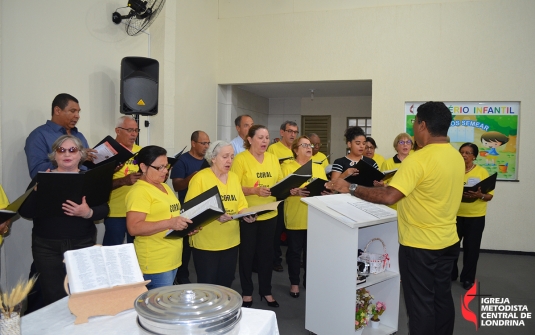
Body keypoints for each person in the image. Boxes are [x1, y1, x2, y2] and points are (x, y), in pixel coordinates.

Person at [327, 101, 464, 335]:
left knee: (420, 305)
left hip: (420, 245)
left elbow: (390, 196)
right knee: (442, 297)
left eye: (414, 123)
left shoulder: (419, 159)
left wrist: (349, 188)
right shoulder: (455, 156)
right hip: (449, 241)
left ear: (422, 125)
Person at [19, 135, 110, 306]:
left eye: (72, 150)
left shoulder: (90, 178)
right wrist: (37, 192)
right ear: (55, 155)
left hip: (82, 243)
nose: (66, 154)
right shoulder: (42, 178)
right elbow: (24, 211)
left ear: (80, 154)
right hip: (46, 247)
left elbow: (104, 209)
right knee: (53, 297)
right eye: (61, 150)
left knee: (83, 293)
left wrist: (87, 212)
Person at [185, 141, 256, 287]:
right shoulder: (200, 178)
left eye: (232, 156)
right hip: (206, 243)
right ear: (213, 158)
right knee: (207, 286)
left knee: (225, 284)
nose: (229, 160)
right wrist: (215, 215)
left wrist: (246, 215)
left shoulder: (234, 178)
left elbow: (241, 205)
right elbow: (190, 210)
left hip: (230, 241)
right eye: (225, 157)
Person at [125, 146, 192, 290]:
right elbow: (134, 227)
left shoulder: (164, 187)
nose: (166, 171)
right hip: (155, 263)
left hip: (171, 258)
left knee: (165, 305)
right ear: (143, 167)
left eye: (166, 166)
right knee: (159, 309)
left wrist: (186, 226)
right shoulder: (139, 192)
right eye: (159, 167)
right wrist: (170, 223)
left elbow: (172, 215)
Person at [231, 125, 283, 308]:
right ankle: (246, 292)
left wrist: (287, 188)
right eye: (260, 137)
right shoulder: (241, 159)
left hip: (270, 213)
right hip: (249, 215)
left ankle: (266, 291)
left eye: (267, 137)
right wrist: (253, 190)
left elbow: (280, 182)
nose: (264, 141)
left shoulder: (272, 158)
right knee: (247, 255)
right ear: (250, 139)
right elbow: (233, 186)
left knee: (266, 256)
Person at [281, 136, 327, 298]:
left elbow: (324, 188)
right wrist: (292, 191)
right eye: (305, 145)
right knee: (294, 252)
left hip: (315, 216)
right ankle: (294, 283)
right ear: (295, 149)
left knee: (312, 252)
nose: (309, 147)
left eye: (310, 145)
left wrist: (324, 190)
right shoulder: (287, 167)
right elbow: (280, 191)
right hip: (295, 215)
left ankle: (310, 280)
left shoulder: (318, 167)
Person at [170, 130, 211, 284]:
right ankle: (182, 276)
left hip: (207, 206)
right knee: (186, 247)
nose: (207, 146)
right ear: (193, 143)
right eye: (203, 143)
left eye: (208, 143)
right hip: (188, 208)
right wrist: (191, 178)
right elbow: (177, 186)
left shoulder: (209, 160)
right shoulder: (183, 161)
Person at [451, 143, 493, 290]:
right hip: (454, 216)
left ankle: (468, 278)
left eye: (468, 153)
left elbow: (489, 196)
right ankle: (451, 274)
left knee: (471, 249)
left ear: (474, 156)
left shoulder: (482, 172)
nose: (464, 155)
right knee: (452, 247)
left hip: (475, 217)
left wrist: (479, 195)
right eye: (462, 152)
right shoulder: (454, 171)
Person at [24, 93, 95, 179]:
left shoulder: (79, 136)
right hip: (55, 188)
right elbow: (36, 172)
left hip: (83, 187)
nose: (77, 116)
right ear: (57, 110)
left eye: (78, 112)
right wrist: (68, 161)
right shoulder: (39, 136)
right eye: (73, 111)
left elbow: (86, 168)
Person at [102, 116, 142, 246]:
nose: (134, 134)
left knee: (136, 252)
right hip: (115, 211)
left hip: (137, 209)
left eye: (136, 130)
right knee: (112, 251)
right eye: (130, 130)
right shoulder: (106, 151)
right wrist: (123, 181)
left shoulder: (141, 151)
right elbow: (98, 185)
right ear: (117, 131)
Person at [267, 121, 298, 272]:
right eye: (290, 131)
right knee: (277, 230)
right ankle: (275, 259)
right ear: (282, 132)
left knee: (291, 229)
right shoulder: (273, 149)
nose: (293, 134)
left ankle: (293, 257)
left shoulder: (297, 148)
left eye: (295, 132)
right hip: (280, 195)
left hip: (295, 196)